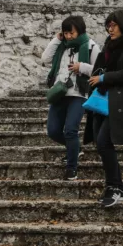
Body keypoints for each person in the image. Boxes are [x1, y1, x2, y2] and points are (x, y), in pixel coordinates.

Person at [84, 10, 123, 207]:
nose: (110, 29)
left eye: (113, 25)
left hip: (122, 103)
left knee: (103, 141)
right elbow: (100, 67)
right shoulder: (108, 47)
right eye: (108, 26)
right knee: (101, 143)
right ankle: (116, 186)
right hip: (103, 101)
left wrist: (103, 78)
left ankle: (115, 186)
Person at [41, 16, 101, 180]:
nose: (68, 36)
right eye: (65, 33)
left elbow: (100, 70)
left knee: (70, 130)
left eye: (71, 33)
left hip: (79, 94)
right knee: (53, 131)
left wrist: (80, 67)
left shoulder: (91, 46)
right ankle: (75, 149)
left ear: (80, 31)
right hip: (59, 93)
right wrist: (56, 39)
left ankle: (71, 168)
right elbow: (45, 59)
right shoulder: (62, 46)